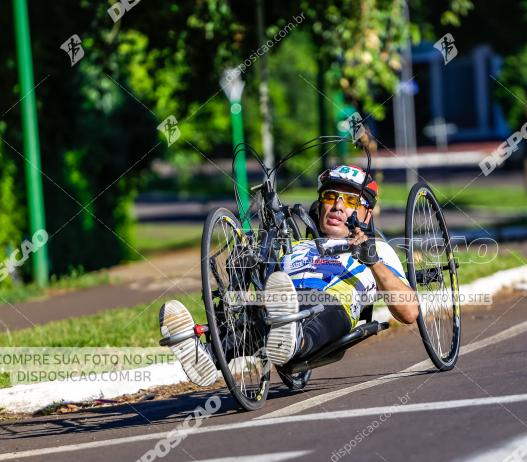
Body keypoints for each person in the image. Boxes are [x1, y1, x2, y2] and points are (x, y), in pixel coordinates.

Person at [159, 164, 418, 387]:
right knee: (256, 311)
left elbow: (409, 313)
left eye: (350, 201)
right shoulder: (295, 247)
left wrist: (372, 261)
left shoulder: (379, 250)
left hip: (332, 303)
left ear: (366, 213)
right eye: (330, 196)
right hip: (278, 305)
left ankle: (293, 338)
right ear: (320, 204)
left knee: (313, 305)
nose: (338, 206)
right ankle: (205, 355)